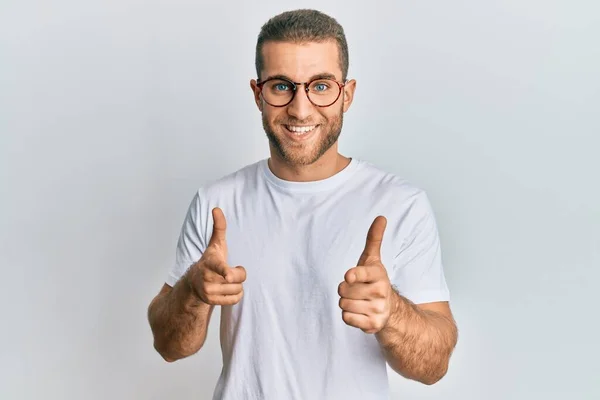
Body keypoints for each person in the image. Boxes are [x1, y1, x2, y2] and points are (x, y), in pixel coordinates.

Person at [147, 8, 458, 400]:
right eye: (281, 86)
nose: (300, 108)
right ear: (257, 94)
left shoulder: (401, 204)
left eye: (321, 86)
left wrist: (391, 312)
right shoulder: (217, 203)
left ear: (347, 94)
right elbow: (170, 346)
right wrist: (192, 289)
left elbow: (435, 366)